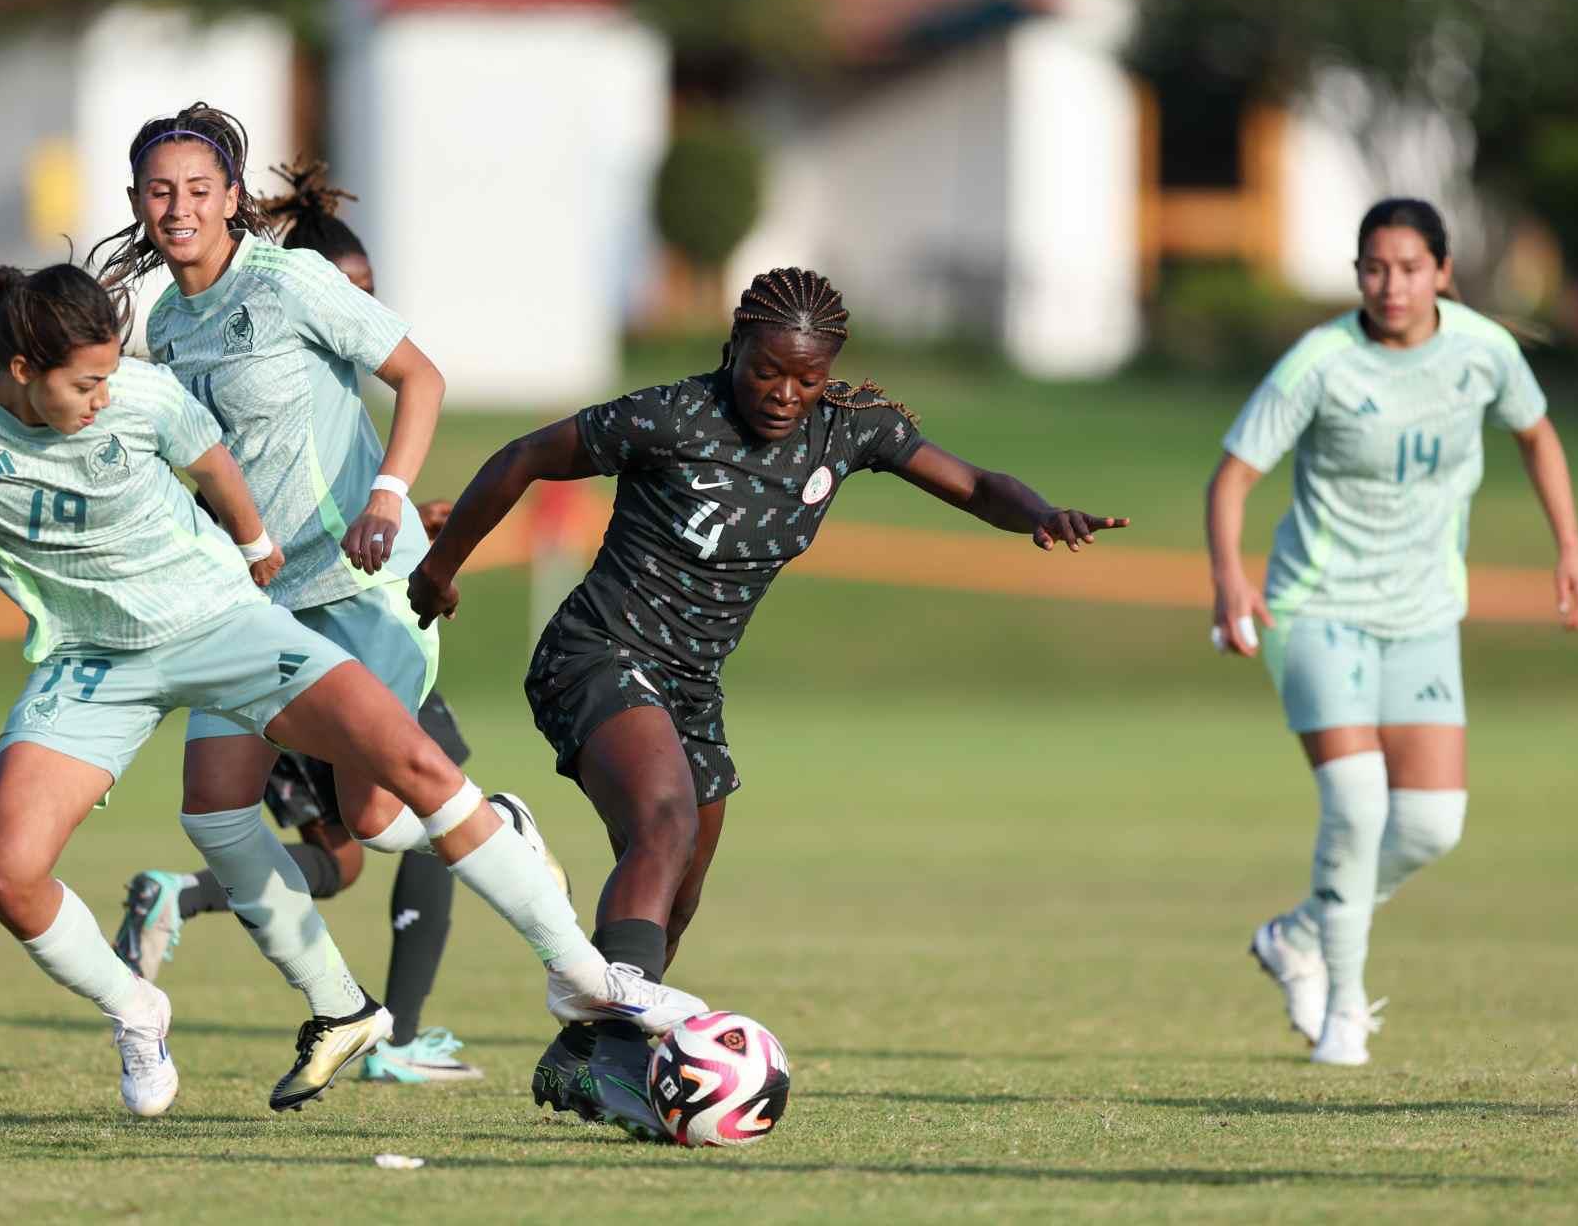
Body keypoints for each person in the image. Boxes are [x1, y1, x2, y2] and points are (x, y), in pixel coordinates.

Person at [0, 261, 704, 1121]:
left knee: (411, 764)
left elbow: (209, 458)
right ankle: (137, 1007)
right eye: (83, 385)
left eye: (112, 376)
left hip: (220, 625)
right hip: (93, 659)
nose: (106, 395)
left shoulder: (141, 391)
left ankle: (578, 972)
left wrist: (250, 544)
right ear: (20, 370)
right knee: (9, 872)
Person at [407, 267, 1126, 1138]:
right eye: (766, 372)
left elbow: (974, 484)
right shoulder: (668, 417)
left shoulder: (850, 432)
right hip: (596, 652)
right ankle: (625, 1045)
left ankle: (587, 1057)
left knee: (685, 878)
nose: (786, 394)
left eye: (807, 378)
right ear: (733, 350)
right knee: (662, 820)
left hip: (692, 683)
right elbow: (521, 458)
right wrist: (441, 568)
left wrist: (1040, 513)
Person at [111, 158, 564, 1085]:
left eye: (199, 188)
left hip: (362, 585)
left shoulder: (290, 280)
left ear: (231, 197)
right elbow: (208, 463)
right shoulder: (164, 324)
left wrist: (391, 498)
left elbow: (419, 378)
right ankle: (344, 1009)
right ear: (136, 204)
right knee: (233, 811)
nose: (180, 207)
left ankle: (578, 964)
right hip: (260, 606)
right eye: (161, 190)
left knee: (369, 816)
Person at [1207, 198, 1578, 1067]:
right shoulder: (1321, 362)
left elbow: (1538, 435)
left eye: (1411, 267)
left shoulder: (1484, 352)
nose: (1393, 285)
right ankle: (1344, 1015)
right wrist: (1231, 575)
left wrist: (1570, 549)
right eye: (1375, 268)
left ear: (1443, 273)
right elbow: (1231, 479)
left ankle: (1300, 934)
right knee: (1357, 807)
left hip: (1421, 614)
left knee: (1430, 826)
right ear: (1357, 275)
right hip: (1315, 608)